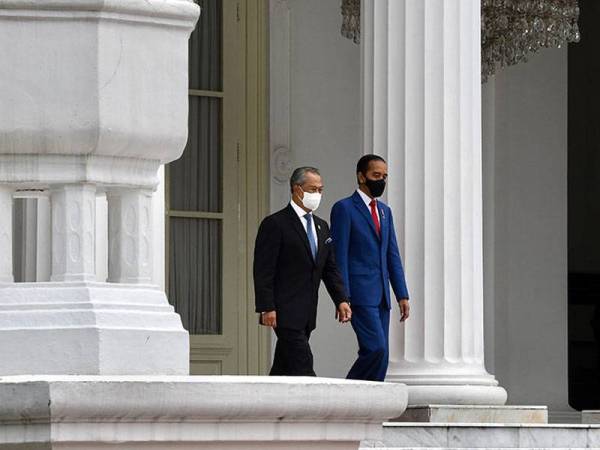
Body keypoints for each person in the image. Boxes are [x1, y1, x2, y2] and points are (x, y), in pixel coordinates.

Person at [254, 166, 352, 376]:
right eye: (312, 189)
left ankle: (270, 404)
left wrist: (341, 299)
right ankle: (319, 406)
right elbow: (263, 269)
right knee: (302, 362)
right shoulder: (275, 224)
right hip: (283, 310)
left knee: (284, 365)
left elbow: (329, 268)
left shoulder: (321, 226)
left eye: (320, 189)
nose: (317, 194)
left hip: (307, 311)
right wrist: (266, 307)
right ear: (297, 190)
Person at [330, 154, 410, 382]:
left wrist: (401, 294)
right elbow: (339, 256)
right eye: (376, 175)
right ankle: (348, 394)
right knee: (376, 349)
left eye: (384, 176)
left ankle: (368, 404)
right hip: (359, 294)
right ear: (361, 176)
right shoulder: (344, 208)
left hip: (383, 296)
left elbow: (392, 254)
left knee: (381, 357)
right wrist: (342, 297)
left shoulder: (385, 212)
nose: (381, 180)